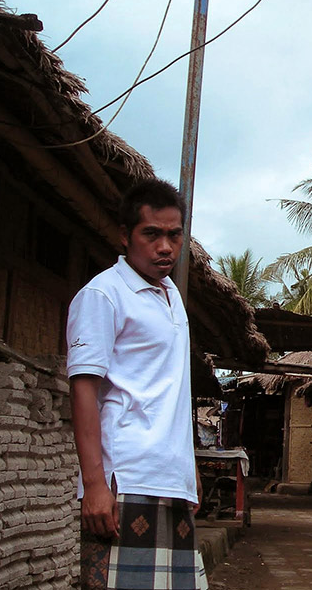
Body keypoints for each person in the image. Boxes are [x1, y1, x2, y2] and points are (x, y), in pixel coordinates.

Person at [68, 178, 207, 589]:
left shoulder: (171, 296)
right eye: (152, 234)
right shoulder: (103, 295)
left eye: (174, 235)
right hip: (124, 480)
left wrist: (189, 467)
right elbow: (84, 391)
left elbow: (172, 392)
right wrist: (93, 484)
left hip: (170, 479)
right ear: (125, 235)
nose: (165, 247)